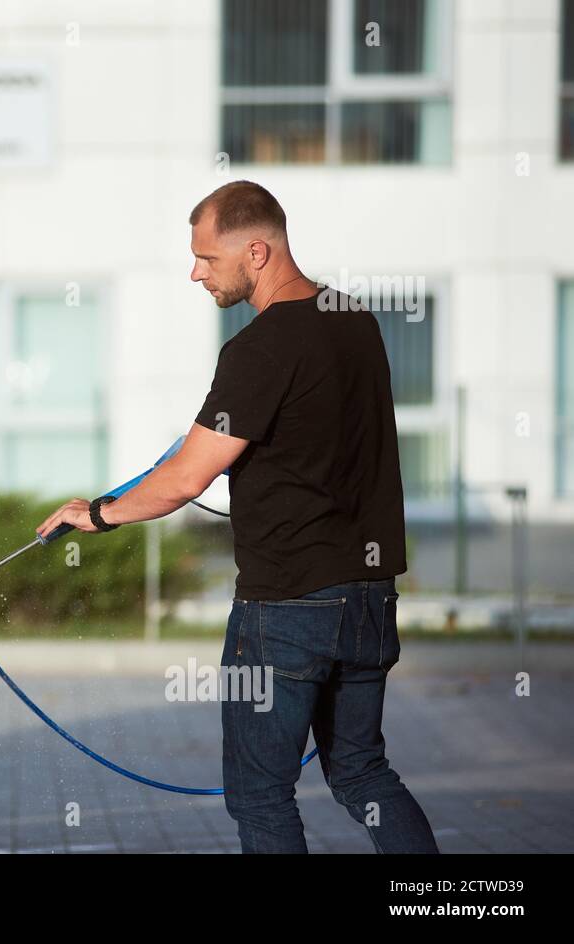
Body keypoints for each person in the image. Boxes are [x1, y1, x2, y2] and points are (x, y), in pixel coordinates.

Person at [35, 180, 439, 854]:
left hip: (287, 610)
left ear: (256, 251)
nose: (195, 272)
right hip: (369, 598)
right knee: (365, 775)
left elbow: (186, 477)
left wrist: (97, 515)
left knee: (258, 794)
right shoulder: (354, 320)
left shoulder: (260, 348)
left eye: (206, 259)